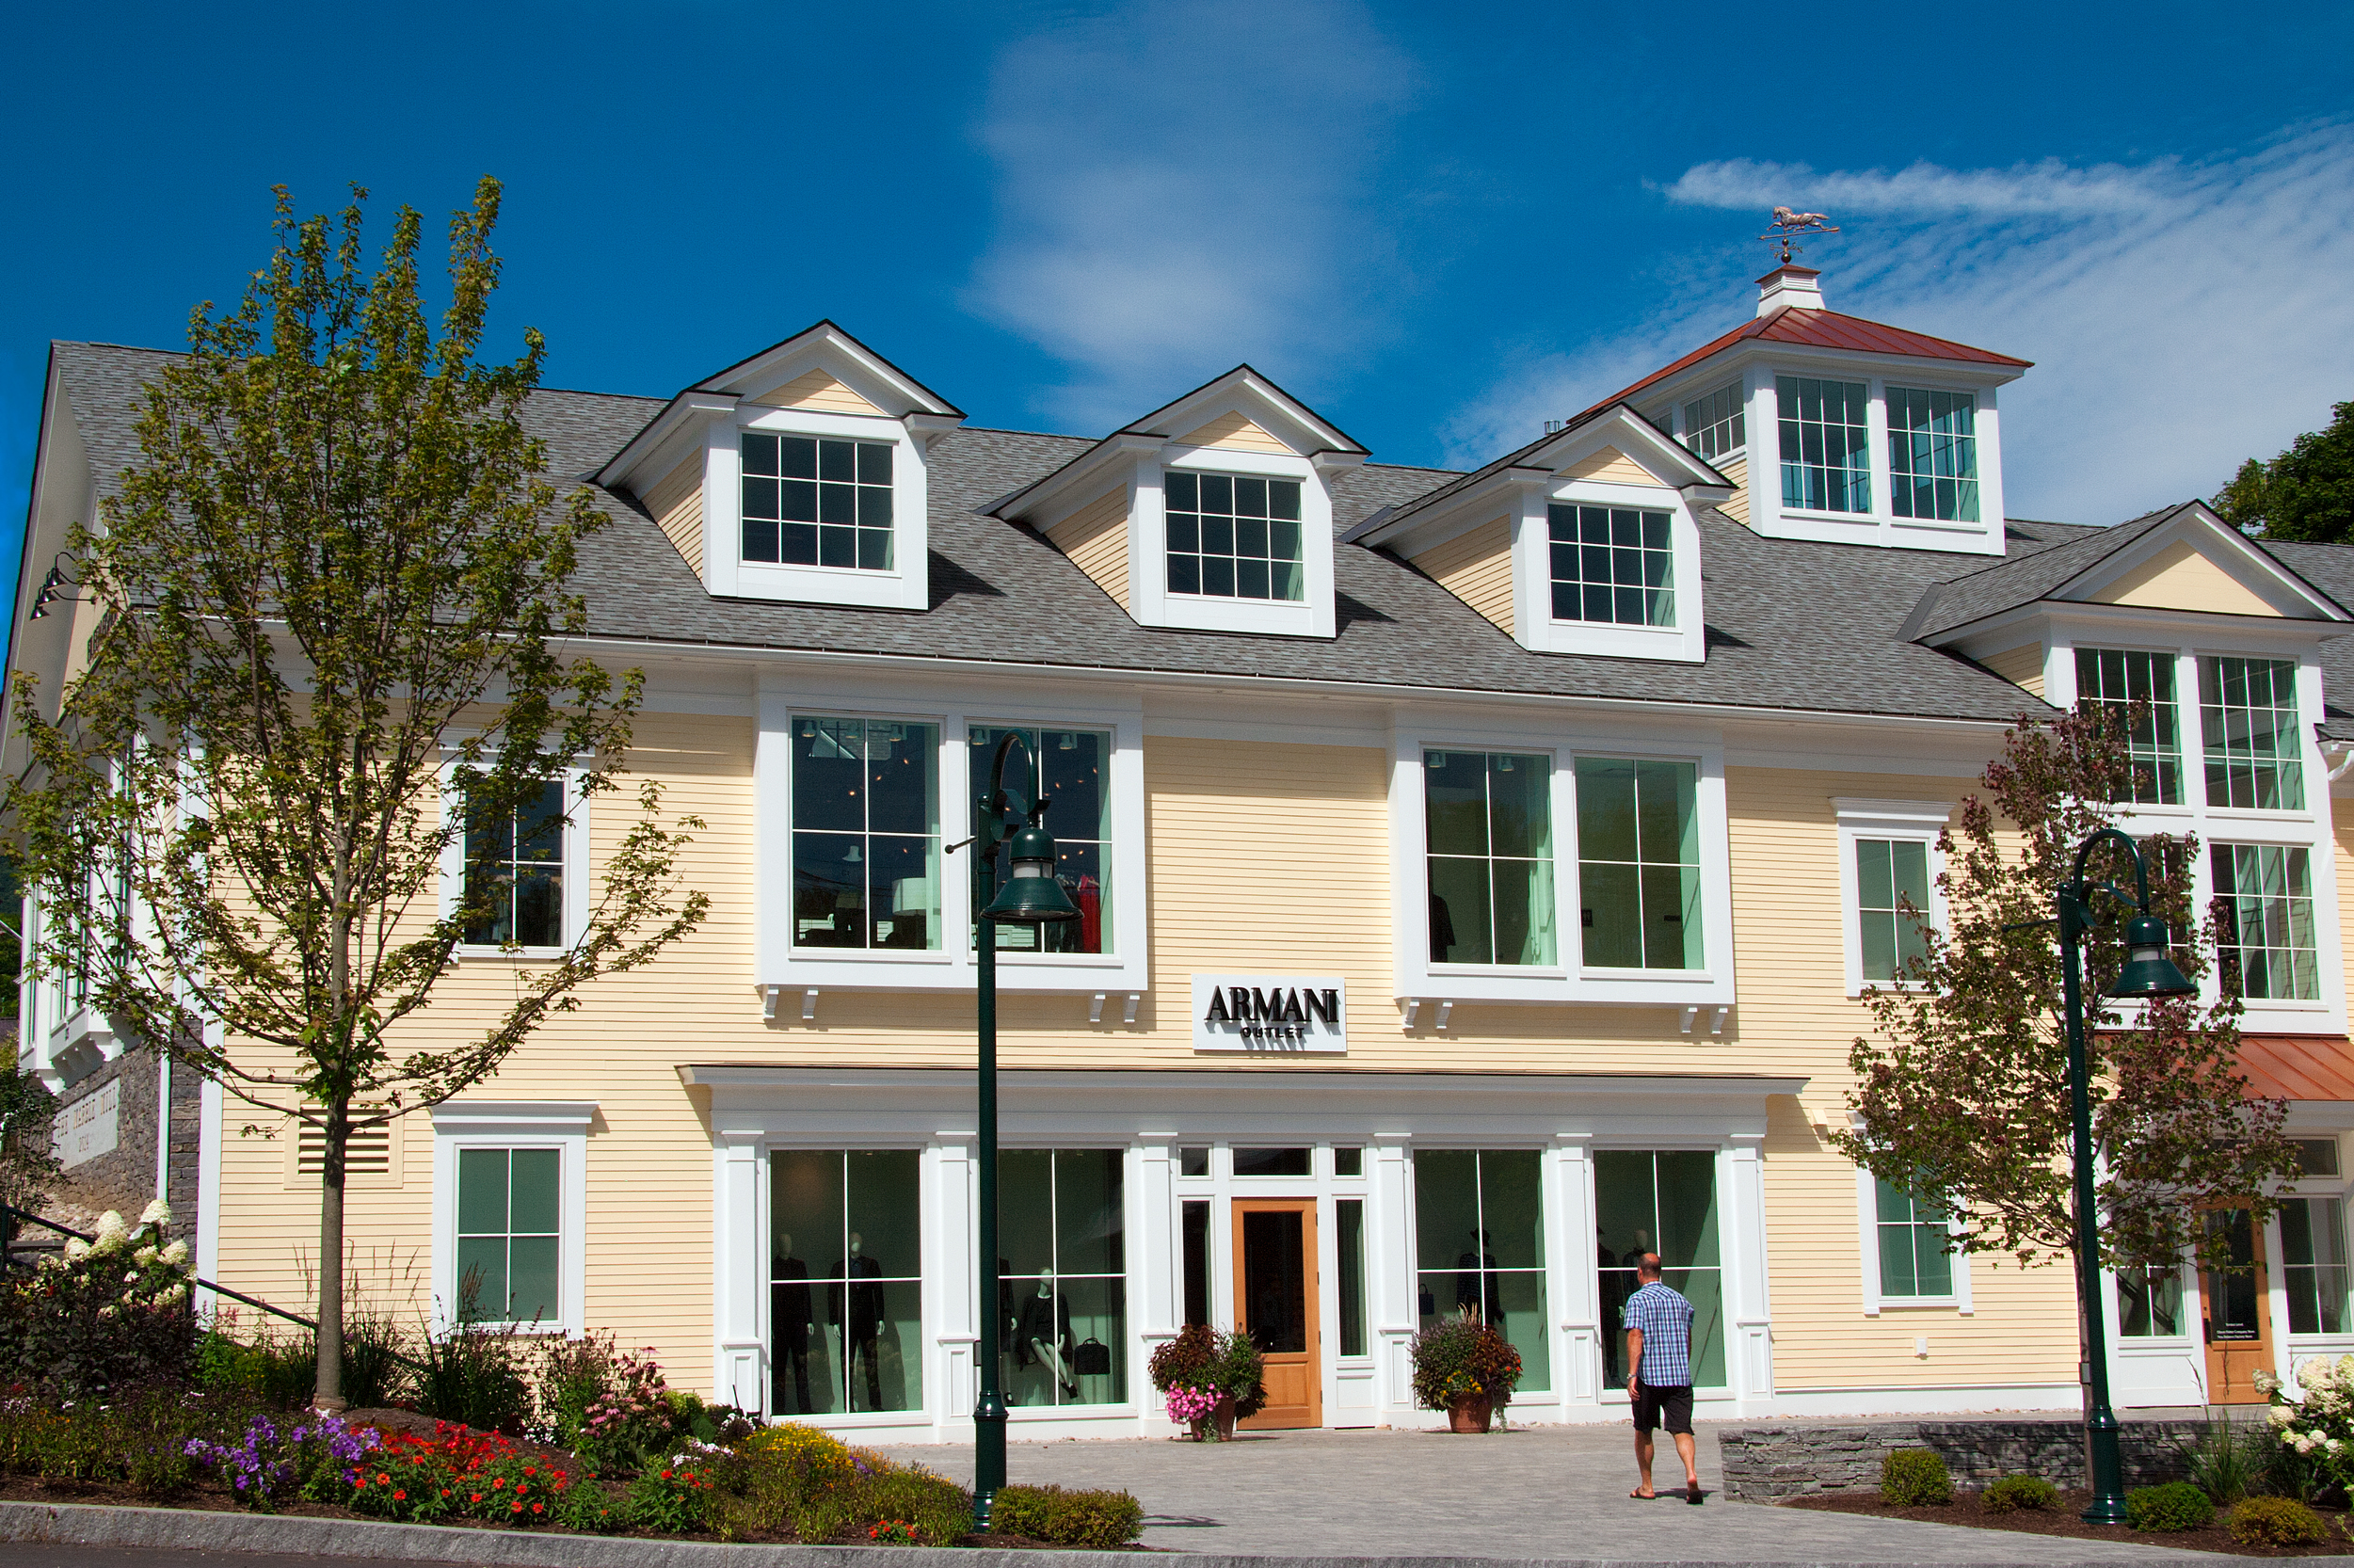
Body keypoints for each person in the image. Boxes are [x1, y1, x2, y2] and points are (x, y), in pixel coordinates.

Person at [1622, 1252, 1701, 1504]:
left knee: (1644, 1430)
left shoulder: (1638, 1300)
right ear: (1660, 1272)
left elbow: (1636, 1335)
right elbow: (1688, 1339)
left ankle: (1647, 1486)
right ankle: (1690, 1473)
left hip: (1649, 1378)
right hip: (1679, 1377)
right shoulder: (1680, 1299)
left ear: (1640, 1272)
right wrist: (1682, 1364)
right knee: (1682, 1430)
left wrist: (1632, 1374)